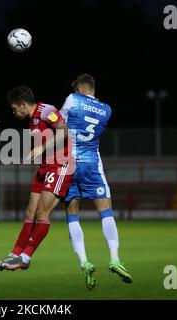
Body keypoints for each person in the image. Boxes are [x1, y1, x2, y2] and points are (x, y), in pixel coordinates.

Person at [0, 86, 73, 271]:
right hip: (45, 168)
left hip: (60, 166)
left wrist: (42, 148)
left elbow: (65, 131)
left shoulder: (46, 111)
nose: (14, 112)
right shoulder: (33, 119)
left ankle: (25, 258)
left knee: (42, 213)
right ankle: (14, 255)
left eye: (14, 108)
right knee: (29, 213)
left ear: (23, 104)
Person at [60, 74, 132, 287]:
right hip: (93, 165)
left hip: (69, 163)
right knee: (106, 212)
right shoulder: (107, 110)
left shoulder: (73, 99)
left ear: (80, 88)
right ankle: (115, 257)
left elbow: (58, 123)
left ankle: (84, 262)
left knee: (72, 214)